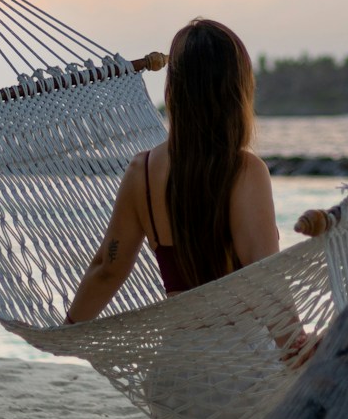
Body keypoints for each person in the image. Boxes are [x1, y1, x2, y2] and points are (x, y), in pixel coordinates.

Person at [63, 18, 281, 325]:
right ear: (237, 89)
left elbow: (107, 268)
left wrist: (67, 329)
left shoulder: (143, 171)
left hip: (177, 362)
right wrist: (297, 350)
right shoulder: (245, 171)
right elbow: (268, 285)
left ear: (174, 89)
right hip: (242, 360)